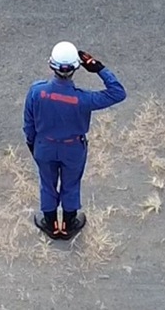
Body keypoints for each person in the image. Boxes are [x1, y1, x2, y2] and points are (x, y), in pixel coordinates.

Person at [23, 42, 126, 238]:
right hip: (73, 148)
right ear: (76, 68)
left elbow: (28, 123)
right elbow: (118, 93)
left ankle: (51, 224)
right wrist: (99, 68)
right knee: (71, 184)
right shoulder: (83, 99)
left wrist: (32, 144)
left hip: (44, 146)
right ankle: (69, 224)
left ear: (51, 65)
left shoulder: (36, 92)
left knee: (47, 184)